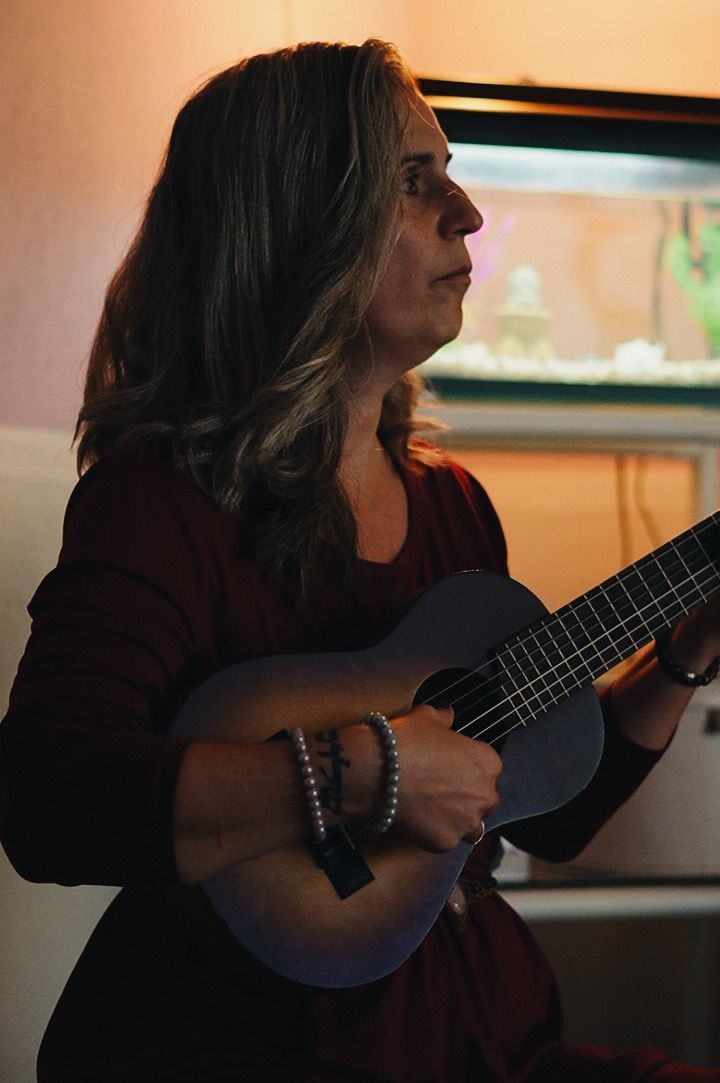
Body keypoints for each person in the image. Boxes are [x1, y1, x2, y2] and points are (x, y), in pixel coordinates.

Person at [1, 37, 719, 1082]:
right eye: (413, 180)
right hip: (240, 1047)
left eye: (453, 173)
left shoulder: (453, 509)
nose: (467, 214)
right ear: (299, 223)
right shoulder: (161, 503)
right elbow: (48, 802)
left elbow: (540, 806)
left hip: (483, 1037)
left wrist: (689, 649)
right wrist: (363, 774)